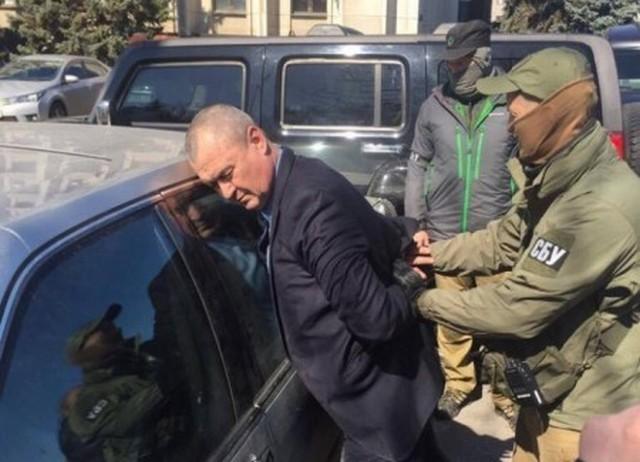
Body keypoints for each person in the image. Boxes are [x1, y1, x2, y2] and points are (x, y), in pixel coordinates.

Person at [398, 47, 640, 462]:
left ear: (553, 114)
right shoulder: (556, 178)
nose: (509, 119)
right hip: (550, 388)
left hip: (584, 413)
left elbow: (516, 308)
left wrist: (419, 301)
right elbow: (502, 241)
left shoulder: (595, 206)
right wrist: (428, 254)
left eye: (516, 107)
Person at [184, 104, 444, 462]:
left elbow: (376, 319)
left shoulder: (311, 207)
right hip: (380, 399)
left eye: (227, 174)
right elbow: (363, 224)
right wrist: (406, 232)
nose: (225, 192)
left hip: (377, 410)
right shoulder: (297, 181)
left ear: (256, 140)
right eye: (214, 184)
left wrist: (413, 278)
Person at [404, 19, 516, 423]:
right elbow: (417, 164)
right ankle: (458, 383)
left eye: (461, 62)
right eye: (449, 63)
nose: (453, 69)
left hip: (496, 237)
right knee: (451, 316)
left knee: (501, 318)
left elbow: (529, 166)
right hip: (445, 233)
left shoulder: (510, 103)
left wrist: (522, 220)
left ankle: (505, 392)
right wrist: (414, 221)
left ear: (483, 58)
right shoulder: (434, 106)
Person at [59, 304, 186, 462]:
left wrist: (166, 303)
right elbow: (122, 420)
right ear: (83, 352)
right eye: (102, 329)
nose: (113, 328)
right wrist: (163, 385)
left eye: (109, 325)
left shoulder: (139, 357)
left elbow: (170, 335)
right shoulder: (85, 402)